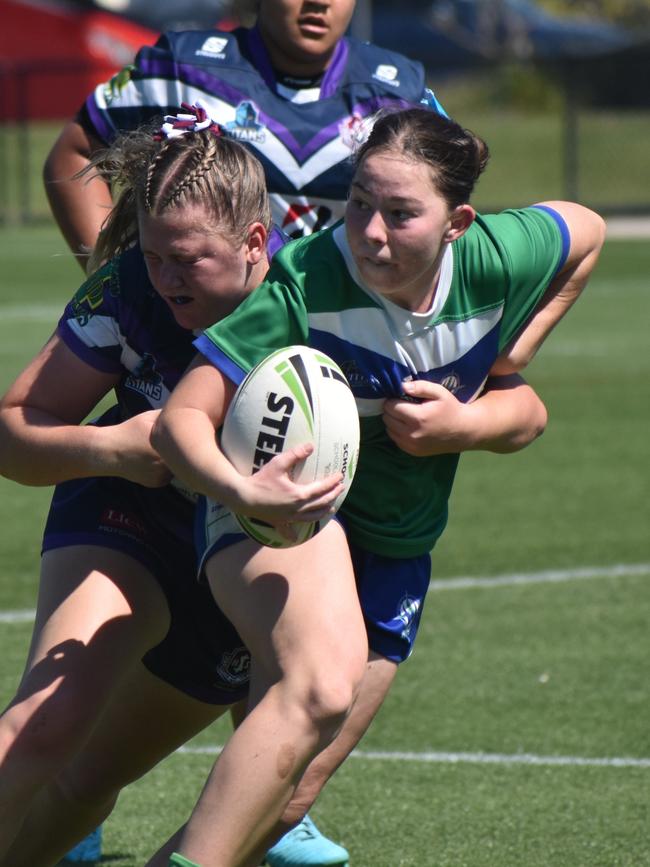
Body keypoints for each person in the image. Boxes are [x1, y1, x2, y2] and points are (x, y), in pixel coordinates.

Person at [0, 108, 546, 867]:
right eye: (153, 255)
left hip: (258, 538)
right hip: (133, 511)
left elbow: (521, 392)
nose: (164, 278)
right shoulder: (128, 288)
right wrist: (109, 446)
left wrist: (466, 418)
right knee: (49, 725)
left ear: (257, 243)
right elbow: (14, 432)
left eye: (186, 260)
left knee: (159, 784)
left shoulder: (324, 284)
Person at [150, 107, 606, 867]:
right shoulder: (307, 278)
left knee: (295, 789)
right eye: (360, 201)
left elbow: (585, 231)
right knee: (310, 696)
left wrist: (495, 378)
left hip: (400, 539)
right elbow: (180, 422)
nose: (369, 231)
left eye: (400, 214)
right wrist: (247, 492)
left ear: (458, 221)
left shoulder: (496, 259)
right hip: (284, 524)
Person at [43, 0, 447, 273]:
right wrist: (113, 274)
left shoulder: (400, 90)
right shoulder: (183, 68)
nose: (319, 2)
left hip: (346, 338)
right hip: (200, 336)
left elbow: (446, 203)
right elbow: (75, 152)